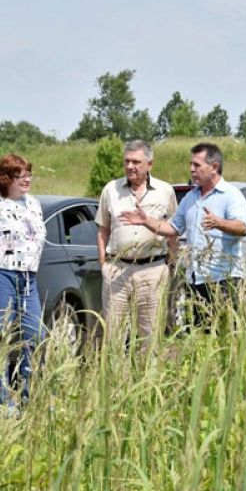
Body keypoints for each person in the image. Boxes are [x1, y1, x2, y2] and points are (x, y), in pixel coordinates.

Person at [119, 142, 246, 329]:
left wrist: (218, 222)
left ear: (214, 167)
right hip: (195, 282)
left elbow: (243, 227)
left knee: (228, 337)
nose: (191, 169)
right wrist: (146, 220)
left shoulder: (231, 195)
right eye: (191, 164)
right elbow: (173, 228)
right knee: (201, 337)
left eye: (197, 165)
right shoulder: (191, 197)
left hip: (224, 281)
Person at [0, 154, 46, 410]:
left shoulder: (33, 203)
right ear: (5, 178)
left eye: (28, 174)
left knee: (35, 334)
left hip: (28, 277)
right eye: (19, 175)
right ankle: (0, 400)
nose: (26, 179)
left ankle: (30, 396)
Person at [95, 140, 177, 350]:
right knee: (114, 335)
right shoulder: (111, 190)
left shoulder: (165, 191)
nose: (130, 166)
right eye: (127, 161)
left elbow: (173, 229)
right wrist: (103, 264)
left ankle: (148, 371)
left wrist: (171, 262)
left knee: (150, 335)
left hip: (152, 269)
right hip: (117, 270)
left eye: (136, 162)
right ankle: (115, 372)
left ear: (149, 164)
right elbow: (103, 229)